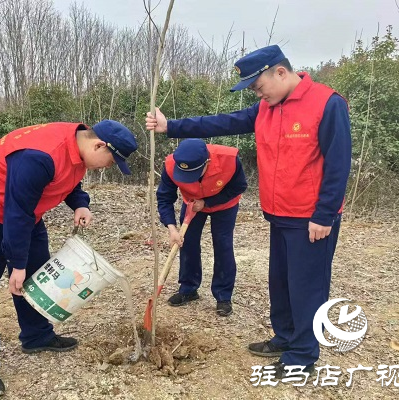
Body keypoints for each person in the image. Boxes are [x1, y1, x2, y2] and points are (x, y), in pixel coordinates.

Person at [146, 44, 351, 378]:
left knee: (307, 286)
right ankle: (284, 337)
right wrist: (172, 127)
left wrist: (324, 214)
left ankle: (303, 354)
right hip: (278, 213)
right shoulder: (266, 109)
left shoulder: (327, 104)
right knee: (281, 281)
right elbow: (219, 123)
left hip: (311, 218)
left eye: (259, 86)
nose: (257, 93)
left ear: (280, 72)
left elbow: (338, 164)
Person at [0, 120, 137, 398]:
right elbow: (15, 212)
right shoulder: (37, 156)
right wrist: (17, 263)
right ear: (99, 145)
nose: (106, 167)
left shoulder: (78, 144)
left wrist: (80, 202)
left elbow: (69, 178)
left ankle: (36, 336)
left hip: (28, 215)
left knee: (35, 278)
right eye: (110, 161)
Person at [156, 139, 247, 317]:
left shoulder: (229, 159)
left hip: (224, 205)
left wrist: (207, 202)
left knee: (223, 245)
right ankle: (189, 289)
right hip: (191, 203)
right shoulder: (170, 165)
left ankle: (223, 296)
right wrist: (172, 228)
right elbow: (164, 198)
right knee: (187, 242)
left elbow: (239, 186)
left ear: (208, 162)